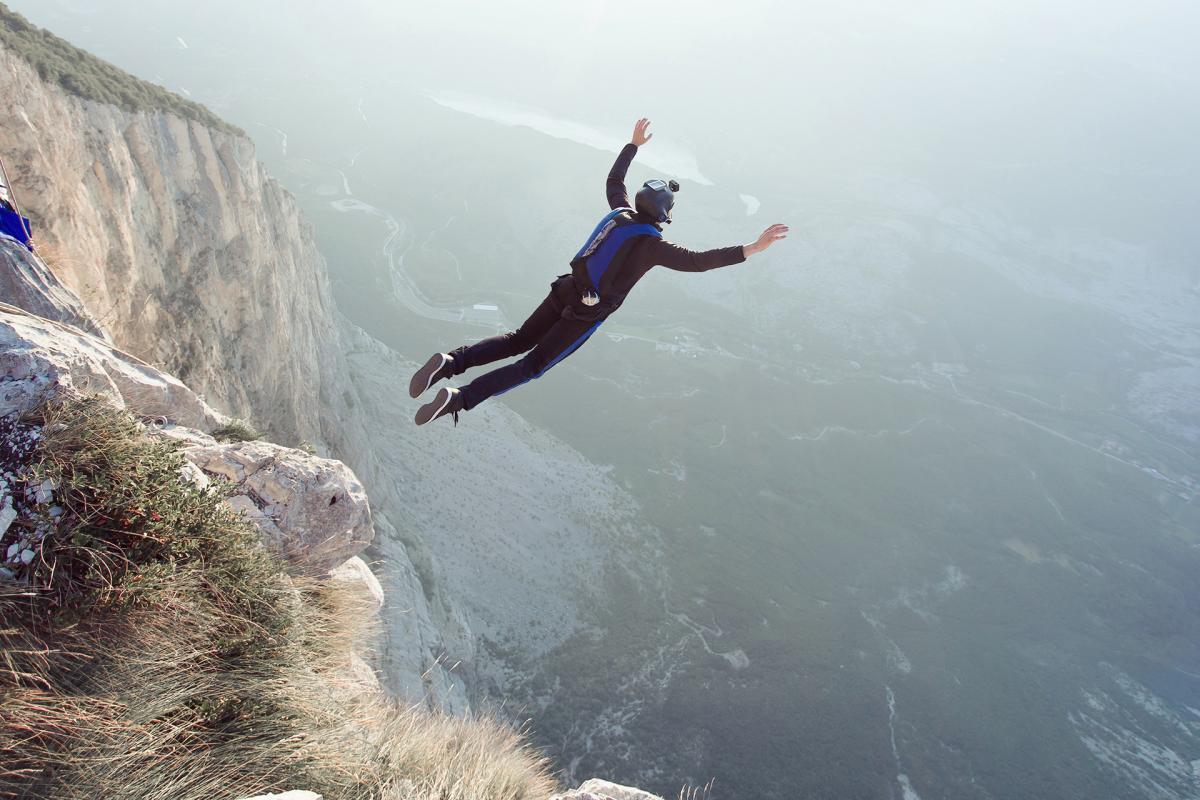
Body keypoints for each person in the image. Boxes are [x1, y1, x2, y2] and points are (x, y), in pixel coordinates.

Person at [411, 117, 788, 425]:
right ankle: (459, 399)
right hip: (586, 311)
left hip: (566, 287)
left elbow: (614, 181)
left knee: (516, 340)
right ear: (663, 215)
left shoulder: (619, 212)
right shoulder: (652, 246)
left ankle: (451, 362)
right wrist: (752, 248)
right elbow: (698, 261)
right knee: (530, 366)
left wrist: (633, 145)